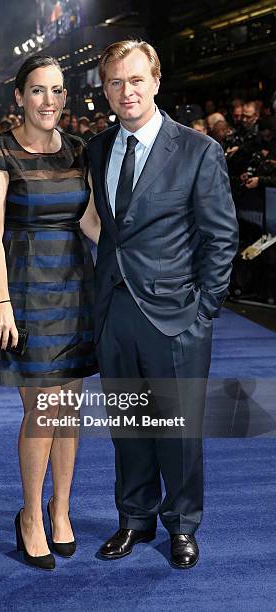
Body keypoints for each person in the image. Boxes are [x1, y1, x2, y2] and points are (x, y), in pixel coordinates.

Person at [87, 40, 238, 569]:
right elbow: (109, 229)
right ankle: (134, 519)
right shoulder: (99, 147)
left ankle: (182, 526)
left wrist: (204, 309)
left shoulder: (197, 150)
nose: (125, 92)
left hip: (177, 316)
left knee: (178, 432)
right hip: (114, 313)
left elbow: (222, 237)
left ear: (155, 81)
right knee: (128, 428)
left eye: (135, 80)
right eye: (114, 83)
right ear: (104, 89)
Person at [0, 55, 100, 570]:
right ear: (19, 97)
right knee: (42, 409)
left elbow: (89, 224)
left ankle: (61, 509)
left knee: (69, 408)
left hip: (73, 287)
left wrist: (143, 260)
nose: (49, 101)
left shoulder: (80, 151)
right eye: (38, 90)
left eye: (58, 91)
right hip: (21, 286)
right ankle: (30, 517)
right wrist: (2, 302)